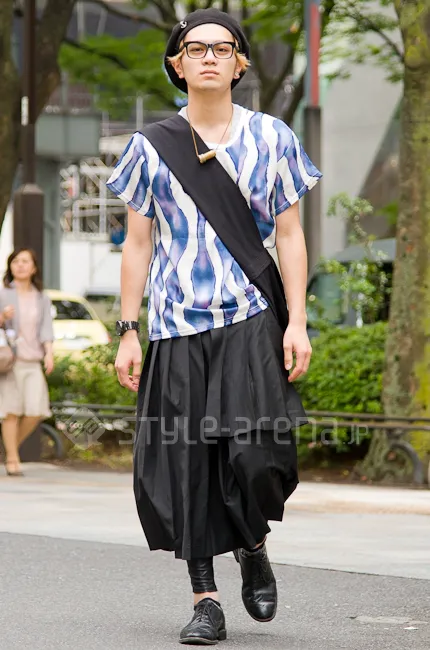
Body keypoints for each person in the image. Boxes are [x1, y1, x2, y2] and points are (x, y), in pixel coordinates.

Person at [107, 8, 322, 645]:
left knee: (256, 454)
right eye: (195, 48)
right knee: (187, 461)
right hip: (176, 324)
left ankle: (252, 544)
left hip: (250, 317)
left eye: (221, 48)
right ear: (177, 64)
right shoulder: (150, 146)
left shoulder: (273, 137)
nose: (207, 57)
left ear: (239, 63)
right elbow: (137, 244)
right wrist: (127, 328)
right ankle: (206, 600)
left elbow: (290, 235)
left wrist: (298, 321)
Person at [0, 249, 54, 477]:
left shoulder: (41, 297)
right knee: (10, 411)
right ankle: (13, 458)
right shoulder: (3, 293)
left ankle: (9, 448)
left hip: (33, 360)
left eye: (25, 261)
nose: (20, 265)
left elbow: (46, 328)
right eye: (16, 261)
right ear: (10, 266)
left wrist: (49, 353)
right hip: (10, 361)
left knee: (35, 411)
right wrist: (2, 317)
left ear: (34, 268)